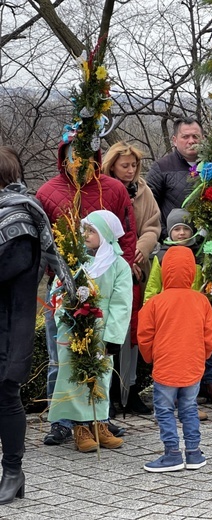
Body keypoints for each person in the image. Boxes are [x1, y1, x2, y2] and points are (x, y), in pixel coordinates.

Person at [38, 139, 136, 446]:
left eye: (85, 156)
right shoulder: (46, 192)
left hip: (101, 319)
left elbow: (128, 232)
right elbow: (41, 240)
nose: (79, 162)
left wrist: (125, 264)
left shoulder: (114, 189)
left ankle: (98, 420)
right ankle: (64, 422)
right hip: (68, 308)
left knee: (101, 371)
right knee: (63, 364)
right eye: (72, 156)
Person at [0, 146, 75, 505]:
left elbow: (8, 268)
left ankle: (13, 472)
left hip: (8, 328)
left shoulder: (19, 219)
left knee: (6, 397)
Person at [48, 210, 133, 453]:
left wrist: (114, 337)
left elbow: (121, 303)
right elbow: (58, 291)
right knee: (73, 376)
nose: (85, 235)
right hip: (73, 328)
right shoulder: (74, 260)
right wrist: (65, 318)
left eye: (92, 231)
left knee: (100, 377)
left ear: (105, 234)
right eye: (84, 229)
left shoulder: (118, 265)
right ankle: (79, 428)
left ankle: (99, 423)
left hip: (101, 329)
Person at [138, 246, 212, 472]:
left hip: (165, 366)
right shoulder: (201, 301)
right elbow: (210, 336)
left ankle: (172, 453)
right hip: (193, 366)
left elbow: (145, 336)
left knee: (164, 410)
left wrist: (151, 357)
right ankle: (193, 453)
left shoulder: (155, 302)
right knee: (189, 408)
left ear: (164, 271)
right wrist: (202, 356)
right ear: (192, 271)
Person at [143, 209, 212, 418]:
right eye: (176, 229)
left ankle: (191, 402)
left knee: (190, 361)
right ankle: (169, 404)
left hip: (192, 318)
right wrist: (151, 311)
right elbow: (153, 288)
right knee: (171, 360)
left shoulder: (199, 255)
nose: (181, 233)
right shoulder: (161, 256)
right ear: (169, 232)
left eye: (185, 229)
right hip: (167, 317)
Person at [103, 141, 161, 415]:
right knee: (110, 329)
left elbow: (152, 225)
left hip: (137, 268)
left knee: (133, 333)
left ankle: (130, 389)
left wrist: (141, 249)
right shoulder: (102, 189)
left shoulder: (144, 190)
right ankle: (108, 391)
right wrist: (124, 258)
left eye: (134, 165)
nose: (130, 170)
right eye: (124, 165)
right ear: (112, 165)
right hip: (110, 267)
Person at [146, 117, 203, 239]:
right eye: (185, 137)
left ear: (202, 139)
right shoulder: (162, 168)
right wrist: (166, 235)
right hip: (174, 244)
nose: (191, 141)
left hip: (209, 245)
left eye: (195, 136)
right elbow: (148, 207)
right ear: (175, 140)